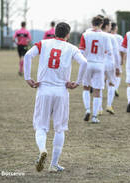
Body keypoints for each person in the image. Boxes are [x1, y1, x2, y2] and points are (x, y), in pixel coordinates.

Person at [23, 22, 87, 173]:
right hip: (61, 91)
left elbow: (27, 55)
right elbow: (84, 62)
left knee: (41, 126)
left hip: (44, 89)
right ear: (67, 34)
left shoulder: (43, 43)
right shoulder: (71, 48)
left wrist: (28, 77)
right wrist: (77, 82)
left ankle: (42, 150)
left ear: (54, 32)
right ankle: (54, 164)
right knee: (59, 129)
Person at [79, 16, 112, 123]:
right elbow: (109, 51)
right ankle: (94, 116)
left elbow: (82, 51)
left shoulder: (85, 34)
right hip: (99, 64)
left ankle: (88, 109)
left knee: (86, 88)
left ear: (92, 23)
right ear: (101, 24)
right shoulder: (106, 36)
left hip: (88, 63)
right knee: (97, 90)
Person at [100, 18, 120, 115]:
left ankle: (99, 108)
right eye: (110, 25)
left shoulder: (97, 35)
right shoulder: (112, 37)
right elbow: (116, 53)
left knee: (98, 85)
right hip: (109, 63)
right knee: (112, 84)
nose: (111, 27)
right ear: (106, 26)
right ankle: (109, 105)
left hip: (99, 63)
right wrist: (118, 67)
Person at [110, 22, 123, 97]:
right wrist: (122, 59)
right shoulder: (119, 37)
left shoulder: (106, 35)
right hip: (116, 56)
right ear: (115, 28)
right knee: (118, 74)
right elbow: (121, 49)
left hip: (107, 57)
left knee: (107, 74)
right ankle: (115, 88)